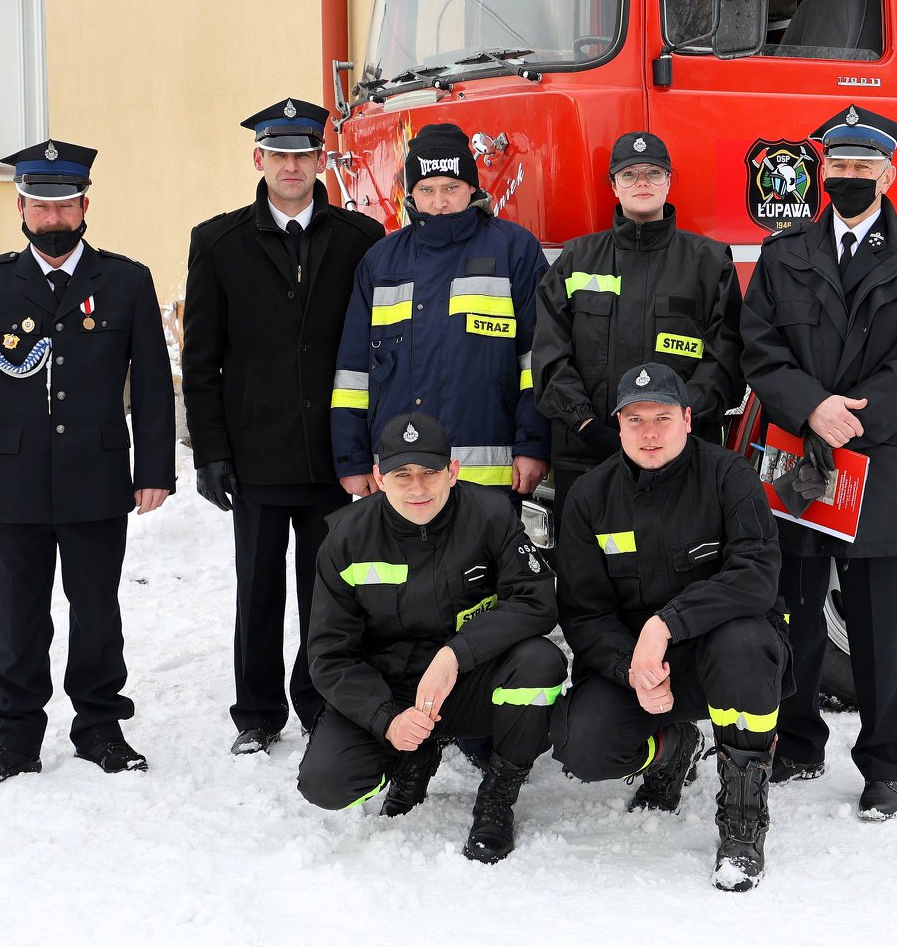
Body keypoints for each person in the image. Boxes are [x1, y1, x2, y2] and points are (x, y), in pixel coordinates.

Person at [739, 105, 897, 821]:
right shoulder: (784, 254)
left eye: (864, 167)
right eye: (838, 166)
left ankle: (885, 765)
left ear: (888, 175)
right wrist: (812, 408)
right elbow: (759, 345)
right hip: (798, 454)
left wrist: (848, 418)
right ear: (822, 172)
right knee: (795, 614)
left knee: (879, 626)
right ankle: (799, 742)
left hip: (881, 456)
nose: (849, 177)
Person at [0, 141, 175, 786]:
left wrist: (154, 469)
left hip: (97, 477)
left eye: (65, 205)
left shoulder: (125, 281)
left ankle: (100, 725)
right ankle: (15, 734)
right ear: (20, 207)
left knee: (96, 608)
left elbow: (152, 385)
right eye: (41, 206)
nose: (53, 218)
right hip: (11, 479)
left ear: (85, 206)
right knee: (18, 613)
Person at [181, 97, 386, 755]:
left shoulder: (360, 238)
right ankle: (257, 712)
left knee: (329, 595)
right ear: (258, 159)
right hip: (257, 455)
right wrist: (210, 452)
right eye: (279, 154)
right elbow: (201, 360)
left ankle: (322, 702)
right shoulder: (218, 242)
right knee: (259, 590)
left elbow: (379, 349)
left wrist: (372, 445)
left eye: (303, 154)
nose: (291, 166)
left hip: (334, 458)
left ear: (322, 160)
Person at [551, 362, 788, 892]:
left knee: (744, 642)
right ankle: (673, 749)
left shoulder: (729, 476)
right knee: (582, 745)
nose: (649, 432)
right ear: (618, 424)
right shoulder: (590, 496)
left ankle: (743, 823)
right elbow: (585, 612)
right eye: (634, 419)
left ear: (687, 419)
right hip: (639, 665)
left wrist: (666, 623)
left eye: (662, 417)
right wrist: (629, 669)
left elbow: (755, 576)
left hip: (720, 656)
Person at [297, 413, 565, 864]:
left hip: (466, 681)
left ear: (452, 471)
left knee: (540, 663)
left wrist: (456, 654)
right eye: (402, 474)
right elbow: (329, 654)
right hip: (390, 689)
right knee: (327, 783)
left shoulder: (492, 515)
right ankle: (412, 757)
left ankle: (498, 798)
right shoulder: (345, 539)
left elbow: (536, 601)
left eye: (430, 472)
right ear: (379, 477)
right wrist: (386, 719)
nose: (418, 488)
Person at [330, 123, 548, 501]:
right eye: (427, 190)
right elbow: (353, 373)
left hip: (490, 475)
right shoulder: (380, 261)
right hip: (400, 474)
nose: (439, 203)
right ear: (411, 193)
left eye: (451, 188)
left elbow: (539, 360)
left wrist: (534, 445)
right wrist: (351, 459)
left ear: (472, 188)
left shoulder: (515, 250)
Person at [534, 130, 743, 499]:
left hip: (684, 458)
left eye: (653, 173)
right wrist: (586, 425)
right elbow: (550, 358)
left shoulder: (710, 263)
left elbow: (724, 362)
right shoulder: (575, 259)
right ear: (614, 185)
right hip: (588, 456)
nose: (642, 182)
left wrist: (671, 427)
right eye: (629, 174)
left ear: (668, 182)